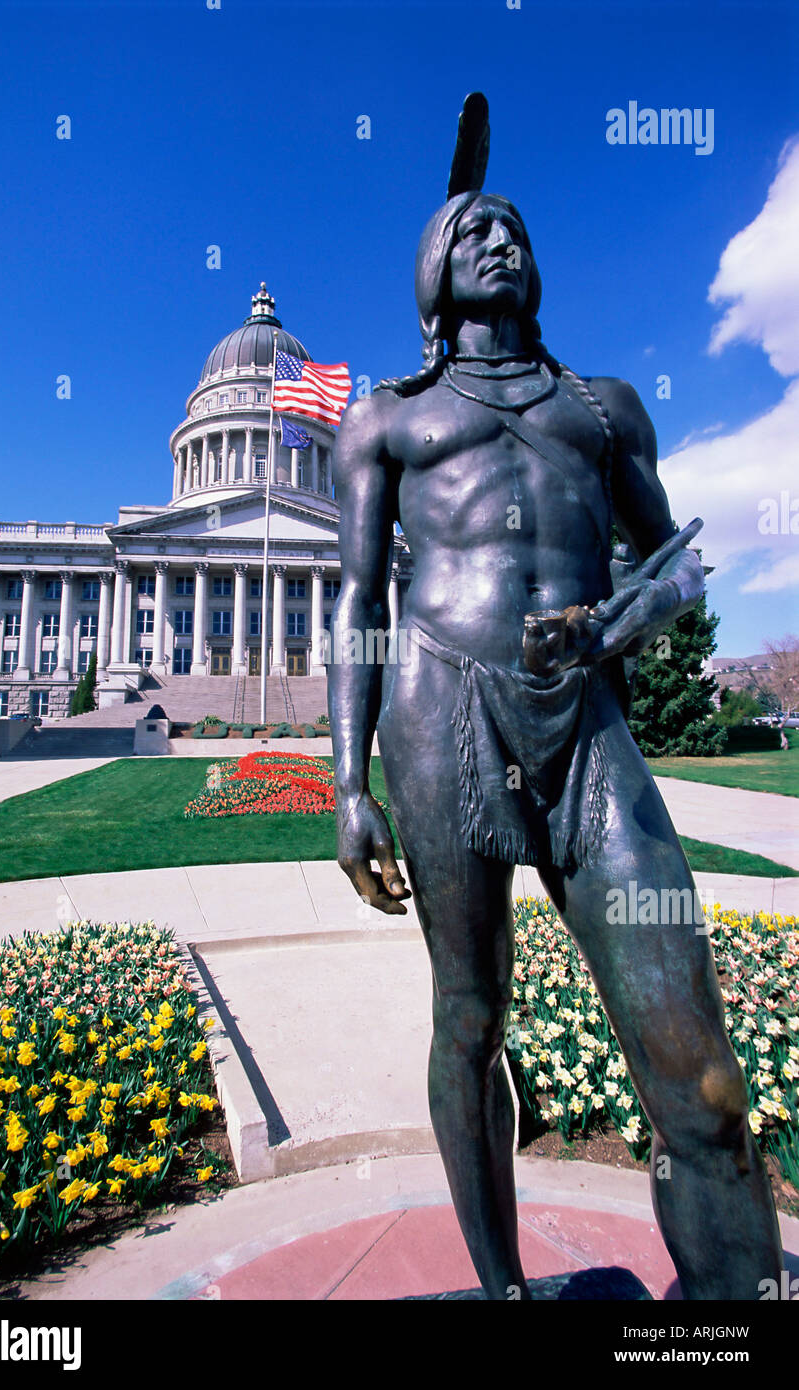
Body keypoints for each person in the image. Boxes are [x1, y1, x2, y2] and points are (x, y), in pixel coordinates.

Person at [326, 96, 784, 1301]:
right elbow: (357, 603)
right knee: (469, 1017)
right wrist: (342, 785)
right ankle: (501, 1290)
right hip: (440, 709)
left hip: (586, 725)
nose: (501, 240)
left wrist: (631, 613)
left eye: (516, 228)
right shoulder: (385, 419)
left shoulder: (603, 407)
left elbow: (677, 552)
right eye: (475, 228)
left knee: (699, 1076)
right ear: (434, 275)